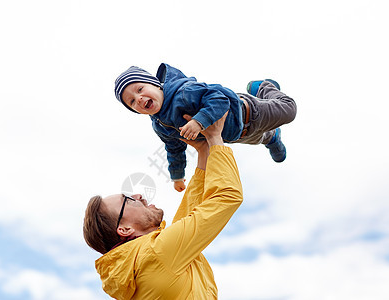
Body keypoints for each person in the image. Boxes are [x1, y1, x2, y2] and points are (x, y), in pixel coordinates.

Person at [83, 112, 243, 299]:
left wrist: (203, 151)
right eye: (128, 199)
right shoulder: (156, 254)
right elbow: (227, 197)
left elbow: (190, 214)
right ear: (125, 229)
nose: (138, 195)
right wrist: (215, 138)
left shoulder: (142, 262)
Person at [114, 63, 297, 192]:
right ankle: (273, 138)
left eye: (139, 89)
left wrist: (199, 121)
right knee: (262, 138)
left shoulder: (184, 92)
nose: (138, 98)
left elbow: (219, 98)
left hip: (250, 112)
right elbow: (174, 148)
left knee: (289, 110)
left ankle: (263, 88)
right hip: (236, 135)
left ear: (155, 84)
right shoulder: (161, 125)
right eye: (131, 102)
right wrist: (177, 175)